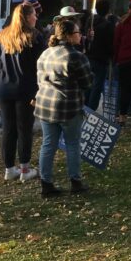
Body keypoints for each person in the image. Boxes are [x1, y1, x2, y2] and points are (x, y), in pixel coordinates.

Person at [35, 18, 93, 197]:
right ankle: (75, 181)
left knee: (48, 144)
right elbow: (88, 81)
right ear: (68, 36)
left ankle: (46, 183)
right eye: (77, 33)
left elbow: (39, 79)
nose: (80, 36)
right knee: (73, 144)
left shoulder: (45, 53)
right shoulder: (76, 55)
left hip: (45, 105)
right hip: (68, 107)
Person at [0, 2, 45, 183]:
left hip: (5, 88)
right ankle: (24, 168)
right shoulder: (35, 37)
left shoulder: (0, 37)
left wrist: (0, 79)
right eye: (33, 15)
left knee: (8, 128)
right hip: (26, 88)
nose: (36, 18)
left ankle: (9, 168)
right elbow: (41, 64)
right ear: (26, 17)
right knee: (24, 128)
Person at [85, 0, 116, 111]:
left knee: (88, 84)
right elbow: (110, 43)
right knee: (97, 86)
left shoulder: (90, 21)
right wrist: (112, 56)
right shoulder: (108, 25)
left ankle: (85, 106)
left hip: (89, 57)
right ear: (108, 10)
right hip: (101, 59)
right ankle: (91, 110)